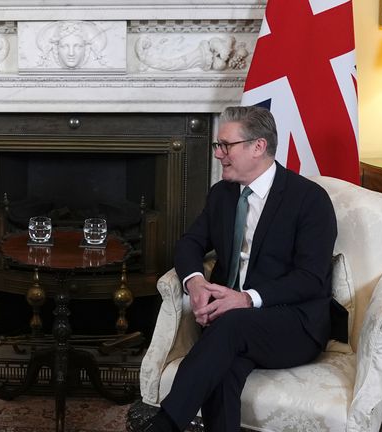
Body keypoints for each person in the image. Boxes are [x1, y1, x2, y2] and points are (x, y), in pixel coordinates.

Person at [143, 106, 337, 432]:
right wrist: (196, 284)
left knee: (230, 328)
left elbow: (311, 279)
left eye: (225, 146)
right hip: (229, 326)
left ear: (258, 146)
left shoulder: (309, 200)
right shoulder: (222, 195)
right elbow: (189, 243)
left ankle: (164, 425)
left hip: (293, 323)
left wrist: (246, 299)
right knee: (223, 369)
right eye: (218, 146)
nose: (218, 154)